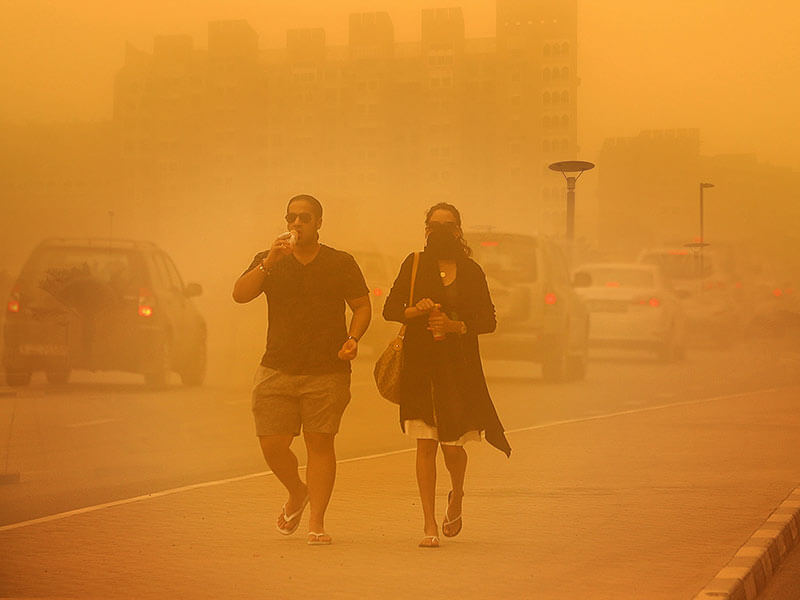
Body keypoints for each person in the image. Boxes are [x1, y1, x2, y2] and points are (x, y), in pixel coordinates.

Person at [232, 194, 371, 546]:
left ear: (318, 223)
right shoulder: (269, 260)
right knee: (272, 443)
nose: (296, 223)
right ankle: (297, 491)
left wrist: (353, 338)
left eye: (304, 217)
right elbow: (240, 294)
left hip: (327, 369)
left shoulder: (340, 262)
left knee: (320, 443)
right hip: (277, 366)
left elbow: (361, 306)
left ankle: (317, 523)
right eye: (291, 217)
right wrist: (269, 262)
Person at [383, 202, 511, 548]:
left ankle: (457, 494)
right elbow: (390, 309)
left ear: (458, 230)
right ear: (426, 229)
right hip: (420, 369)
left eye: (448, 225)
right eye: (434, 225)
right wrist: (416, 310)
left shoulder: (471, 271)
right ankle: (429, 524)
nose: (440, 231)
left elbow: (488, 320)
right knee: (425, 445)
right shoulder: (413, 264)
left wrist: (456, 326)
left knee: (453, 448)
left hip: (458, 370)